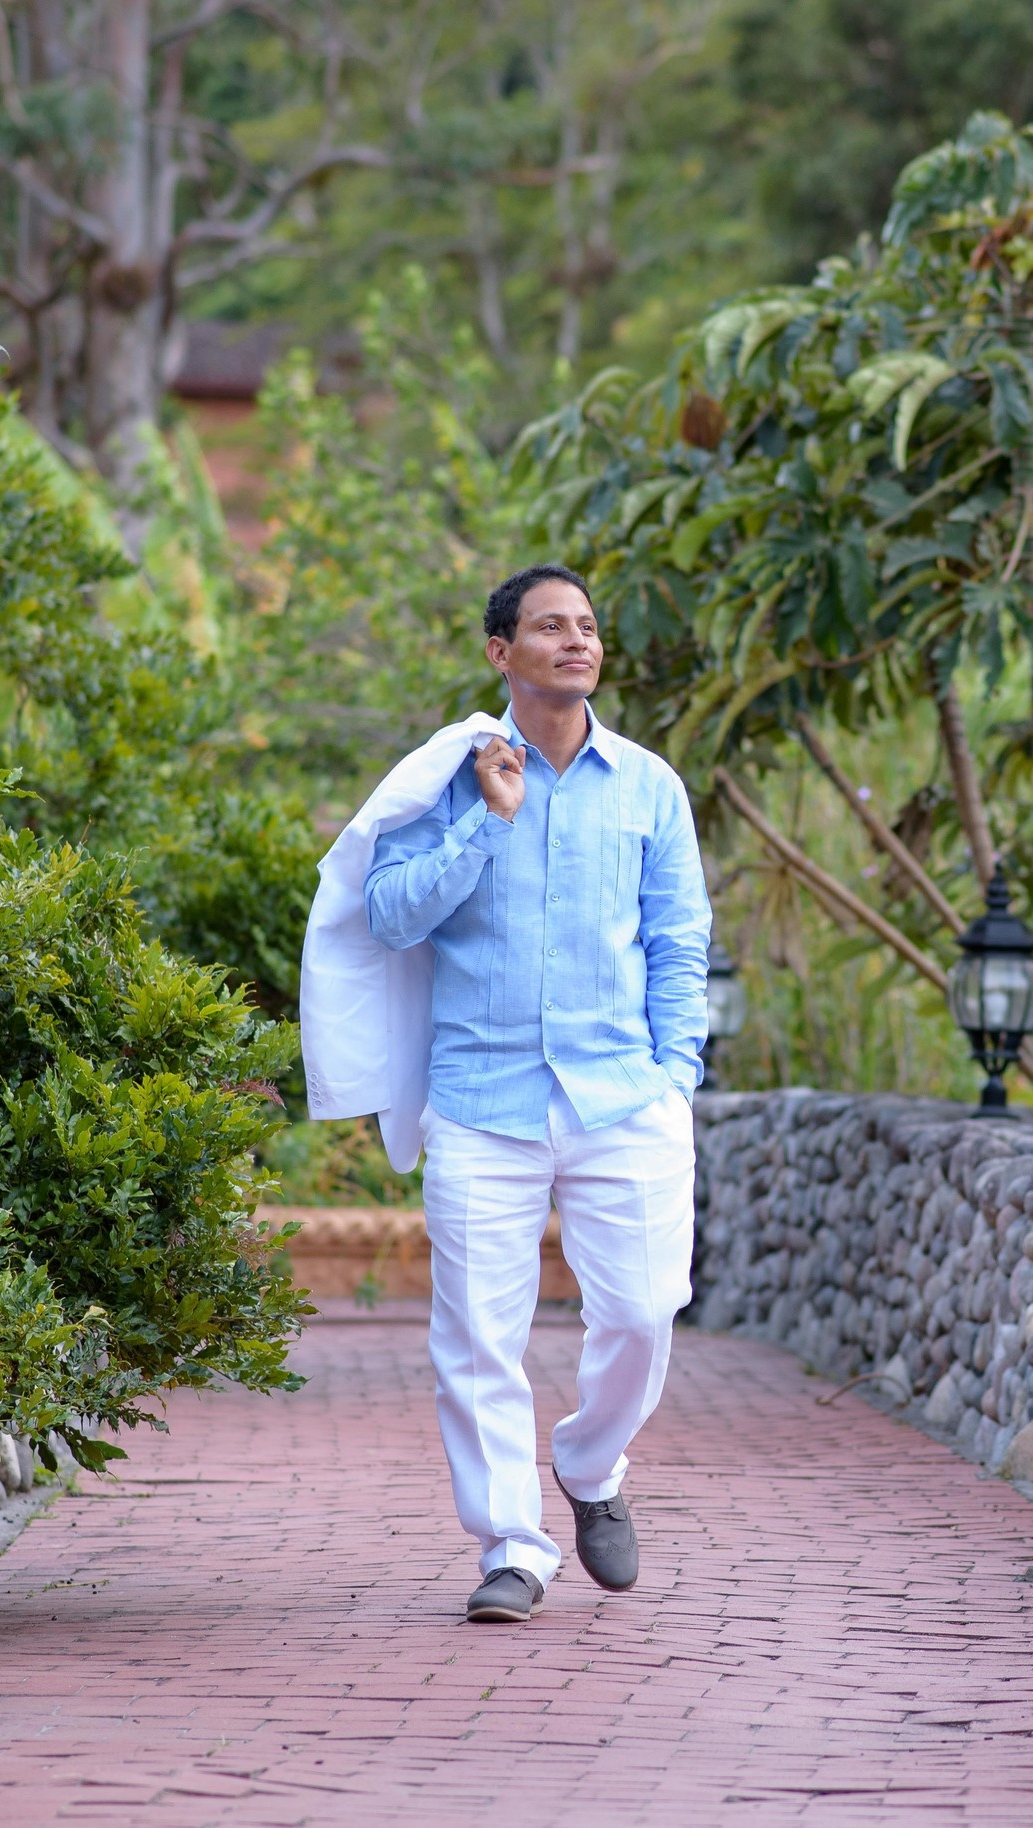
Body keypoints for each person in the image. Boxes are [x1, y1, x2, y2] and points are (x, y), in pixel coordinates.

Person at [331, 563, 709, 1622]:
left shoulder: (649, 786)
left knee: (644, 1311)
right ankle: (512, 1544)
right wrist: (487, 823)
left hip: (623, 1096)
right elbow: (390, 914)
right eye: (550, 626)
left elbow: (680, 942)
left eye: (586, 625)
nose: (576, 640)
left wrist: (676, 1077)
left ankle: (590, 1462)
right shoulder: (448, 778)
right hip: (480, 1101)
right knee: (476, 1339)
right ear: (502, 653)